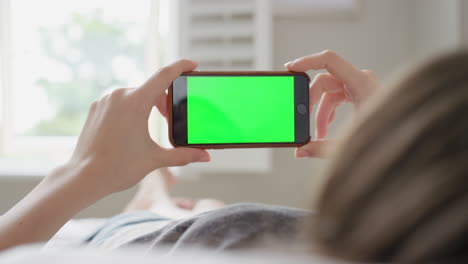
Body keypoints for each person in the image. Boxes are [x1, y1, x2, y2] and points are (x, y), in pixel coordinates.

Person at [0, 49, 467, 263]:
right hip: (217, 228)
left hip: (157, 236)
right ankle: (155, 202)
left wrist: (81, 173)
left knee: (198, 216)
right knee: (208, 211)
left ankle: (150, 203)